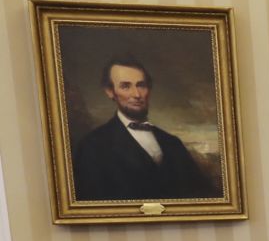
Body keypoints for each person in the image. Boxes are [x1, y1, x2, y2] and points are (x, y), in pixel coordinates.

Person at [72, 55, 217, 201]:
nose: (137, 94)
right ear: (110, 92)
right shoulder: (92, 145)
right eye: (125, 86)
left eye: (141, 85)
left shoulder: (173, 143)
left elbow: (202, 195)